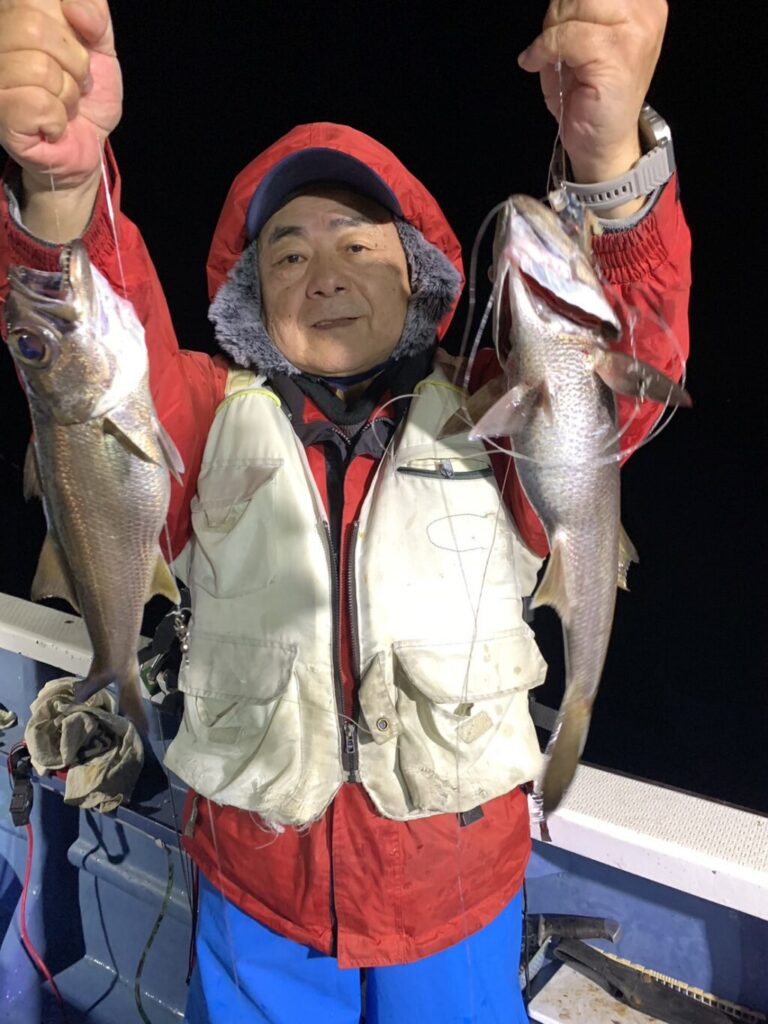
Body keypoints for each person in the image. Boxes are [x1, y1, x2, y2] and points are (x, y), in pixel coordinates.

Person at [0, 1, 690, 1021]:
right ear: (251, 295)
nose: (323, 276)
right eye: (286, 255)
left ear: (419, 273)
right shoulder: (200, 418)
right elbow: (89, 354)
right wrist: (60, 187)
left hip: (457, 893)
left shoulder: (498, 413)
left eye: (358, 246)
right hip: (255, 890)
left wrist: (610, 164)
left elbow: (620, 373)